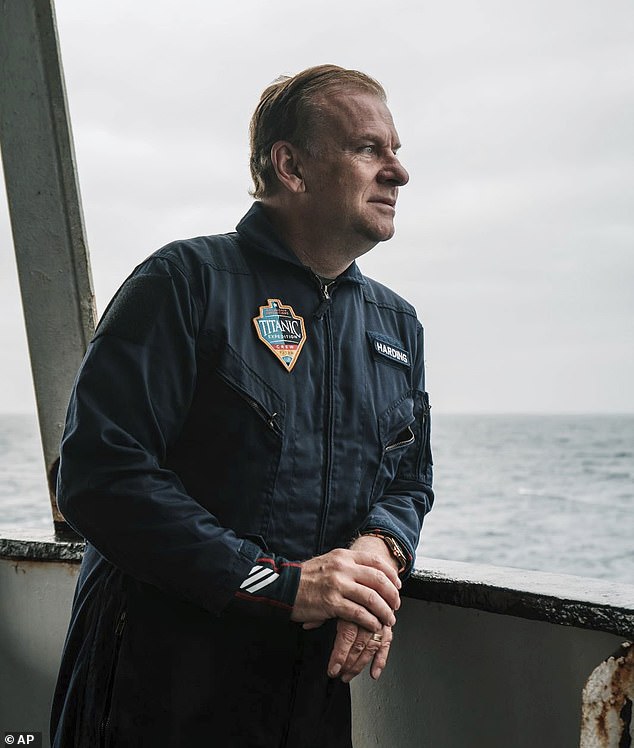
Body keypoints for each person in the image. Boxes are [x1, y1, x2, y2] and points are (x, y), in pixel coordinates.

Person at [50, 64, 434, 748]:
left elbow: (410, 480)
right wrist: (281, 584)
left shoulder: (395, 327)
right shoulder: (184, 284)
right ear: (291, 165)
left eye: (396, 150)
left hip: (307, 697)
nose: (398, 172)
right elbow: (98, 477)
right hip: (157, 690)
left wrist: (379, 552)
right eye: (369, 149)